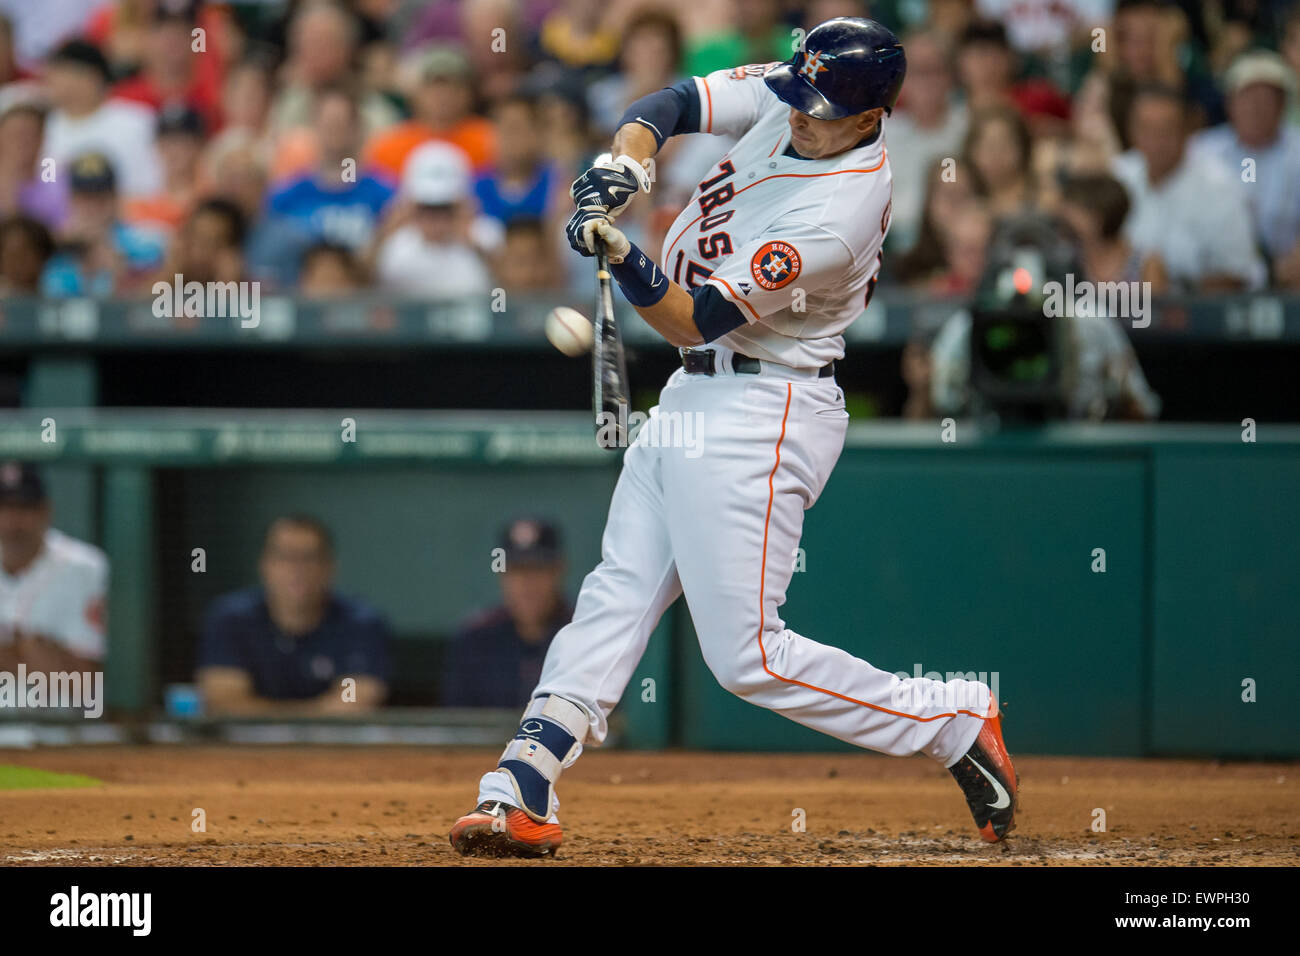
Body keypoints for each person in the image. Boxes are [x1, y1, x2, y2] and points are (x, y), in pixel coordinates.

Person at [449, 18, 1018, 859]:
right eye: (801, 96)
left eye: (822, 111)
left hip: (765, 410)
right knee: (617, 592)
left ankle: (951, 719)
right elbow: (674, 101)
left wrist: (625, 253)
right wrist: (626, 164)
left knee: (749, 657)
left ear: (870, 117)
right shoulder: (801, 91)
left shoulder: (842, 209)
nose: (799, 116)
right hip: (696, 394)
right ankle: (522, 784)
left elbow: (690, 317)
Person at [196, 515, 391, 715]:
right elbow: (224, 700)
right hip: (246, 745)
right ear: (264, 564)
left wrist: (268, 713)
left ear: (330, 566)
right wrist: (313, 713)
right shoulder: (230, 619)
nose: (297, 569)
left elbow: (354, 701)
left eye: (310, 557)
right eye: (284, 556)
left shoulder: (359, 623)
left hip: (331, 744)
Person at [1111, 84, 1266, 291]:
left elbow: (1237, 275)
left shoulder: (1221, 186)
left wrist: (1171, 292)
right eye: (1146, 128)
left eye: (1165, 130)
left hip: (1198, 313)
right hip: (1123, 307)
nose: (1155, 140)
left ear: (1187, 131)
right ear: (1130, 130)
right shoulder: (1118, 176)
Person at [1188, 50, 1300, 288]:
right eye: (1247, 96)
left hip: (1287, 277)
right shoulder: (1201, 150)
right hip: (1217, 276)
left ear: (1282, 105)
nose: (1256, 107)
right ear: (1229, 102)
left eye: (1266, 98)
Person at [441, 519, 571, 708]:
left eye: (537, 569)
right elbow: (458, 723)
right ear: (502, 574)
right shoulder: (476, 637)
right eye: (517, 570)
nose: (527, 582)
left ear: (558, 570)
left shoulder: (582, 632)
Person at [0, 462, 108, 676]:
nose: (13, 522)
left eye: (24, 508)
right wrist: (31, 649)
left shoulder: (85, 566)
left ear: (46, 511)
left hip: (55, 709)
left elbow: (84, 679)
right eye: (4, 508)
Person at [40, 39, 161, 198]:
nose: (60, 81)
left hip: (135, 213)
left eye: (72, 73)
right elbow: (46, 186)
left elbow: (154, 181)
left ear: (96, 77)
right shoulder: (45, 129)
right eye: (56, 72)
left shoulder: (136, 120)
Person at [372, 140, 492, 297]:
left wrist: (477, 248)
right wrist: (383, 233)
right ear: (411, 206)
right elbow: (361, 286)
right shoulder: (394, 247)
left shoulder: (486, 235)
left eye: (445, 209)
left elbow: (513, 287)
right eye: (427, 208)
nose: (436, 220)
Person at [41, 152, 166, 297]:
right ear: (72, 200)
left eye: (100, 198)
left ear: (114, 198)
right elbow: (51, 295)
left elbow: (157, 292)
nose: (93, 207)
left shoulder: (144, 243)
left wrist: (120, 269)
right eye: (85, 199)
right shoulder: (59, 251)